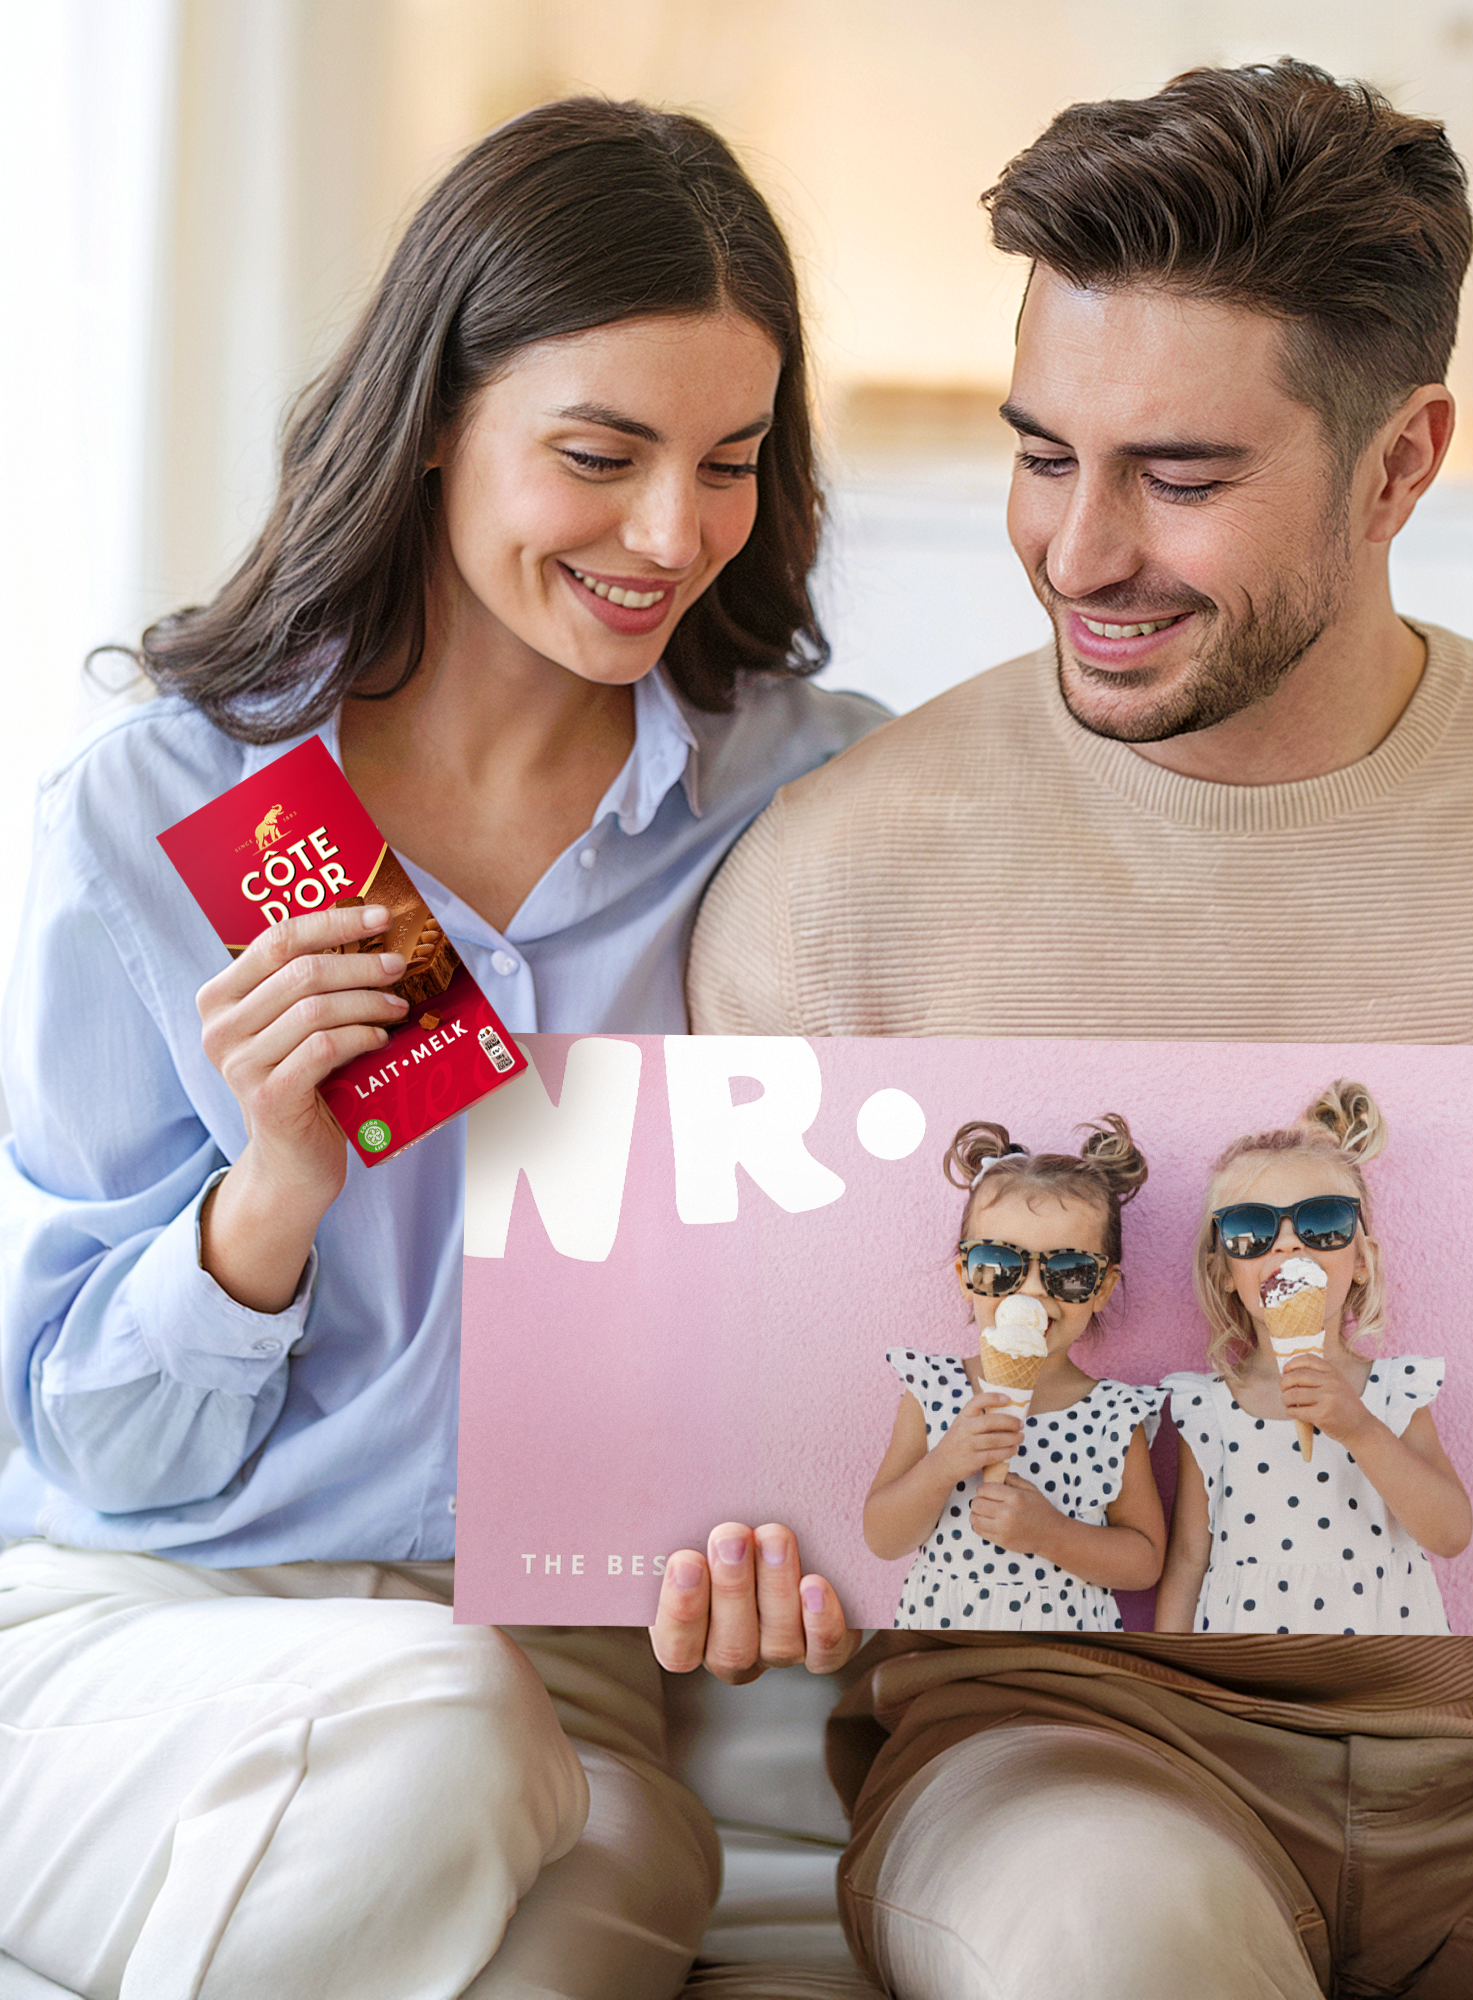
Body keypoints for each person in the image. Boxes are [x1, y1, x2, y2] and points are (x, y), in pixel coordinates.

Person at [658, 61, 1473, 2000]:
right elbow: (777, 1466)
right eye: (1042, 453)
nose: (1078, 550)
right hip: (1071, 1768)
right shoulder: (832, 874)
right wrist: (738, 1552)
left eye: (1181, 478)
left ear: (1399, 464)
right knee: (1118, 1953)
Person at [0, 99, 882, 1999]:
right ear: (431, 422)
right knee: (443, 1728)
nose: (672, 534)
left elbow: (876, 1281)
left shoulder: (815, 805)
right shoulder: (161, 808)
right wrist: (271, 1192)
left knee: (602, 1891)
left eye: (730, 464)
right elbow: (89, 1443)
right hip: (160, 1628)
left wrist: (803, 1504)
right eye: (600, 454)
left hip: (564, 1668)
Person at [1157, 1080, 1470, 1637]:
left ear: (1362, 1261)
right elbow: (1187, 1561)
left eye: (1322, 1223)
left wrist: (1360, 1428)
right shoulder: (1207, 1408)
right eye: (1250, 1229)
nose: (1288, 1245)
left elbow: (1450, 1534)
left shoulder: (1393, 1392)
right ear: (1224, 1273)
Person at [865, 1116, 1167, 1633]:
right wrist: (943, 1465)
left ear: (1102, 1287)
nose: (1030, 1289)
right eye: (999, 1265)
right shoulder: (934, 1391)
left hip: (1067, 1651)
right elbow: (883, 1537)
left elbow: (1145, 1561)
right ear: (966, 1276)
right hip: (946, 1639)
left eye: (1068, 1271)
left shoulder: (1114, 1415)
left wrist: (1051, 1534)